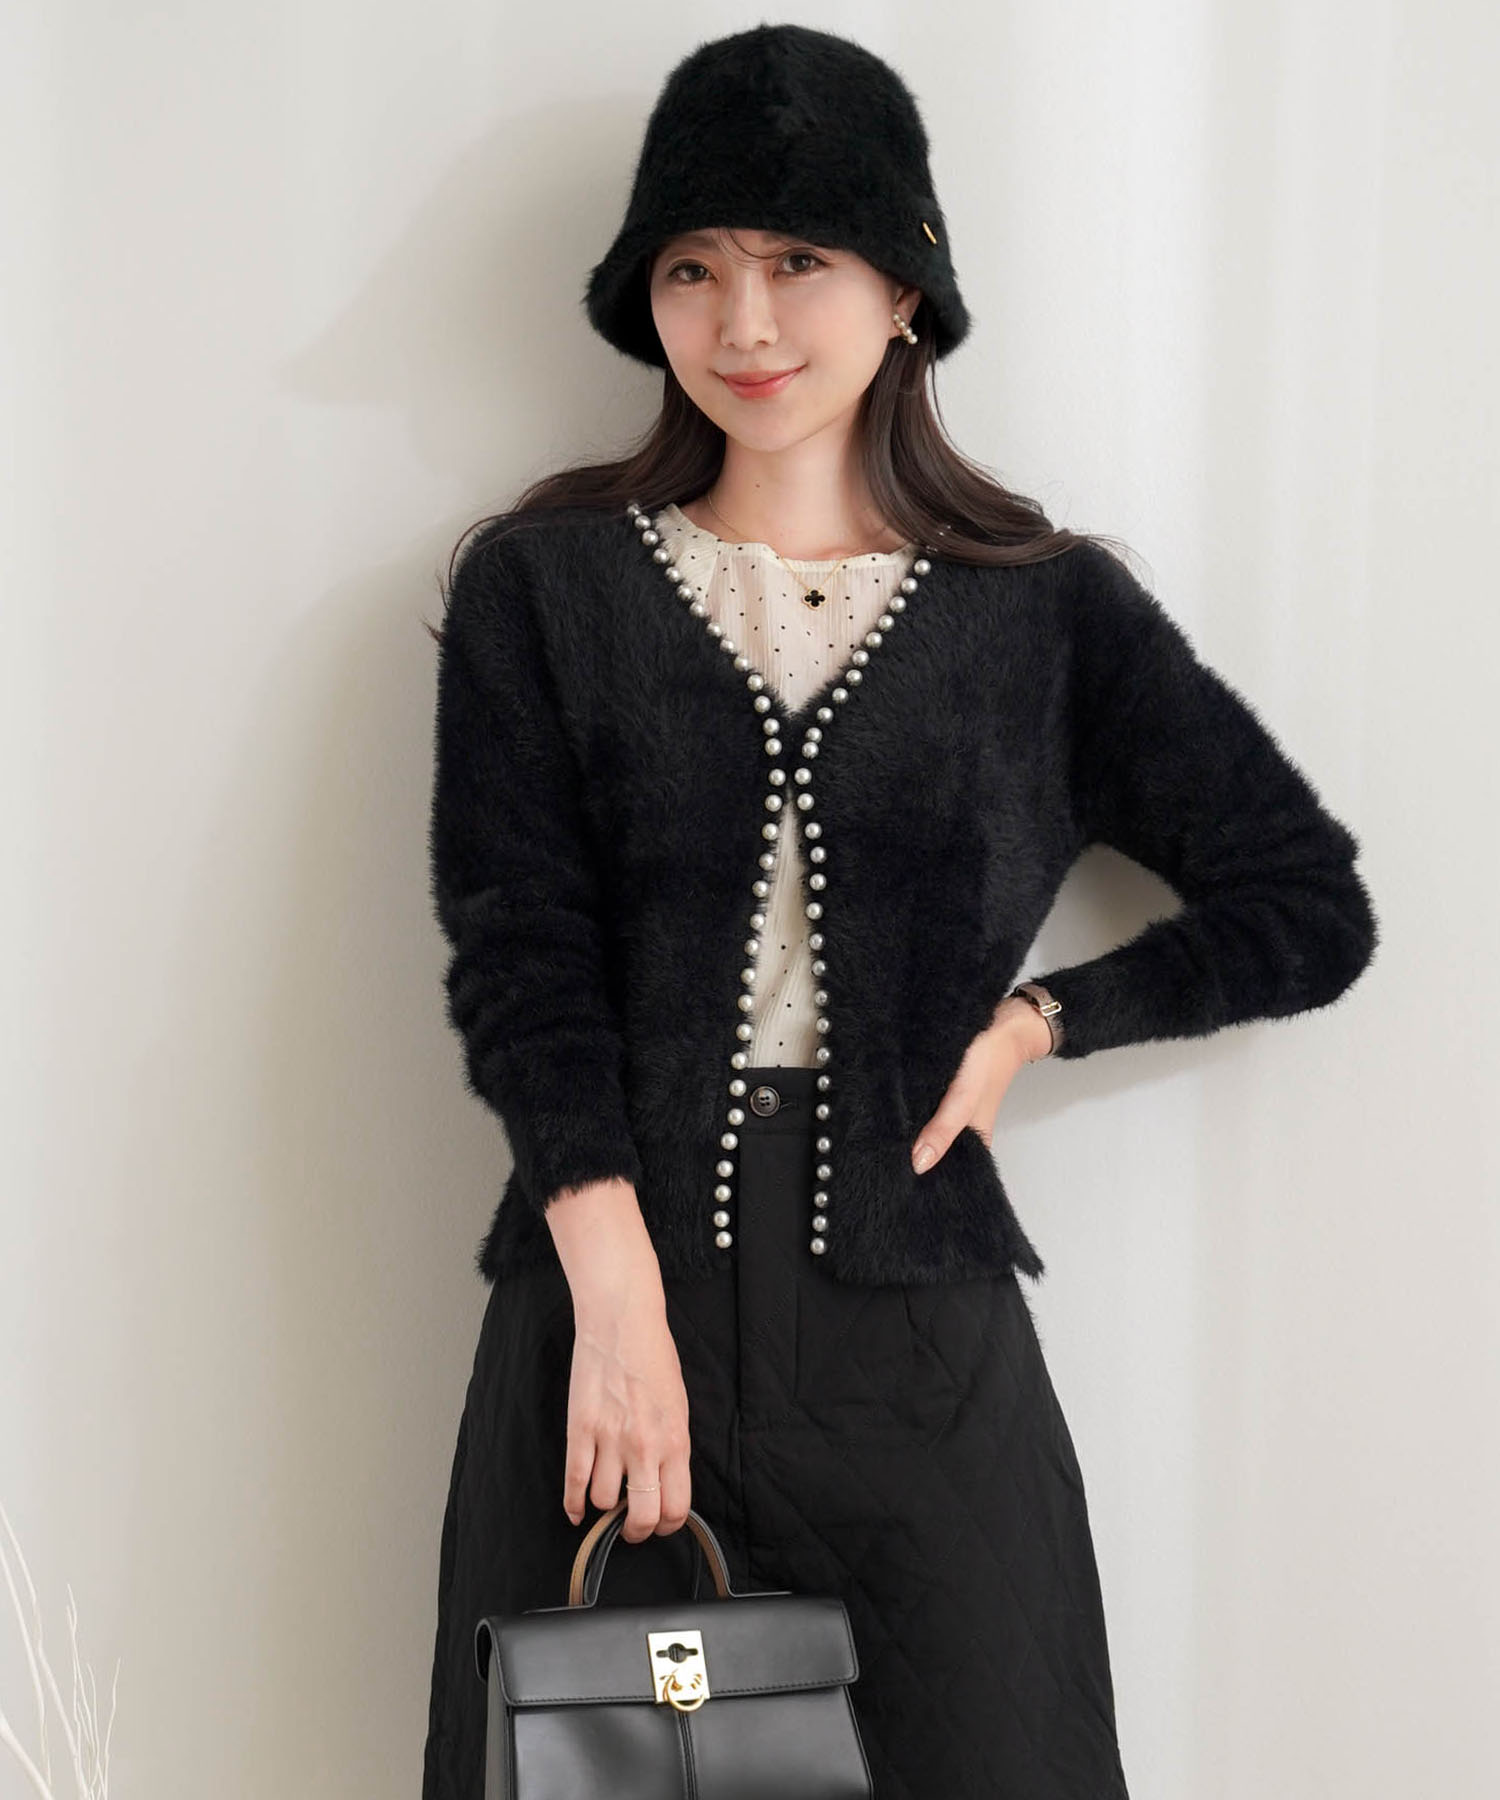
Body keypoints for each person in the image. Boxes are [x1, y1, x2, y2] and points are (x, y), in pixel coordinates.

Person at [419, 24, 1378, 1800]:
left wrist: (1038, 1026)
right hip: (612, 1331)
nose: (745, 322)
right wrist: (614, 1303)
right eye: (693, 270)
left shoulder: (1046, 615)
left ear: (906, 289)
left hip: (920, 1343)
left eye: (798, 260)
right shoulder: (542, 591)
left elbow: (1306, 903)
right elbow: (519, 957)